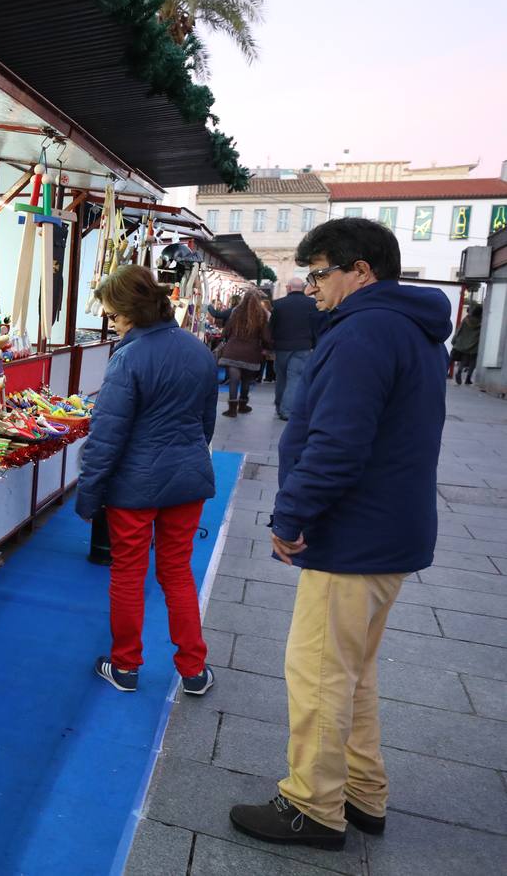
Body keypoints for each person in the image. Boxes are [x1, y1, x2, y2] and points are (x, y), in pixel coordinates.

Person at [230, 218, 451, 850]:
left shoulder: (365, 332)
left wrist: (291, 515)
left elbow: (337, 442)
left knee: (321, 671)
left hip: (356, 533)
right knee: (352, 671)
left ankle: (313, 805)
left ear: (361, 270)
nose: (315, 287)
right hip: (387, 529)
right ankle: (361, 791)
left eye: (322, 273)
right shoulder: (410, 328)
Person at [77, 265, 218, 697]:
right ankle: (194, 669)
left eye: (113, 312)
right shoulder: (198, 351)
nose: (112, 320)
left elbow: (106, 434)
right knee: (177, 572)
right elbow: (205, 425)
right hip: (186, 478)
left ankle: (125, 665)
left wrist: (89, 492)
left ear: (129, 309)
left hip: (134, 485)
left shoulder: (129, 357)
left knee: (128, 574)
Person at [269, 276, 323, 420]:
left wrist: (270, 345)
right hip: (303, 347)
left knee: (281, 378)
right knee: (295, 378)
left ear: (288, 288)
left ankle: (279, 405)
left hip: (281, 347)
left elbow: (271, 327)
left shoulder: (278, 304)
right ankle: (286, 411)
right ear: (303, 288)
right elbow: (317, 326)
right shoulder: (312, 304)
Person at [216, 291, 271, 416]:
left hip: (232, 350)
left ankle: (231, 408)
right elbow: (266, 336)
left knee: (234, 379)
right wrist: (267, 347)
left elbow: (226, 331)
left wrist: (226, 338)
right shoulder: (261, 315)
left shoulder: (236, 312)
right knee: (246, 380)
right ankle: (243, 404)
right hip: (251, 353)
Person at [450, 303, 482, 385]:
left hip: (462, 343)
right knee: (472, 361)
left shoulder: (466, 319)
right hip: (474, 345)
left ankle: (459, 371)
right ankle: (468, 378)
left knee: (463, 360)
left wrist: (454, 339)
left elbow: (459, 329)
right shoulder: (482, 323)